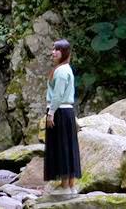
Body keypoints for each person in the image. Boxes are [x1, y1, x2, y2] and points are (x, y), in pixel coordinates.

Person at [44, 38, 81, 195]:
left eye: (56, 49)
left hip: (59, 111)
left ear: (64, 52)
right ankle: (70, 185)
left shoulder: (61, 71)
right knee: (67, 146)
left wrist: (51, 112)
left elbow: (58, 95)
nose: (53, 52)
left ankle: (65, 186)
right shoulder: (66, 69)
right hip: (66, 112)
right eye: (53, 49)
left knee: (61, 147)